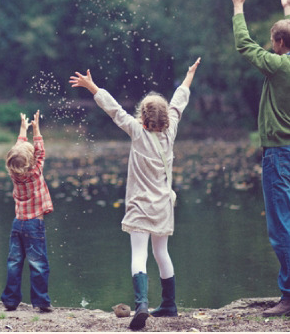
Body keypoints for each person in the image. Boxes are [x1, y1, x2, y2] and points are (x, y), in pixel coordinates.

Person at [70, 58, 200, 330]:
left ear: (142, 116)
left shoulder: (136, 132)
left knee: (139, 254)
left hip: (140, 205)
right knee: (162, 253)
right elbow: (179, 101)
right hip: (164, 204)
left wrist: (92, 87)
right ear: (165, 117)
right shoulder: (171, 130)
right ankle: (169, 304)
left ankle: (141, 304)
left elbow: (114, 110)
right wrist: (189, 76)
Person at [229, 0, 290, 317]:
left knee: (281, 225)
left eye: (273, 41)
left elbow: (244, 45)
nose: (270, 46)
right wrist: (288, 9)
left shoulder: (279, 66)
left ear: (280, 43)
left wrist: (238, 6)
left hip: (280, 155)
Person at [0, 110, 54, 313]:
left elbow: (17, 152)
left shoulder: (14, 173)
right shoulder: (35, 171)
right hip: (34, 224)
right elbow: (40, 151)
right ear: (32, 162)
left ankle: (10, 301)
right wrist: (36, 128)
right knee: (38, 263)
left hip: (18, 224)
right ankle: (40, 301)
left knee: (14, 262)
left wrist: (23, 129)